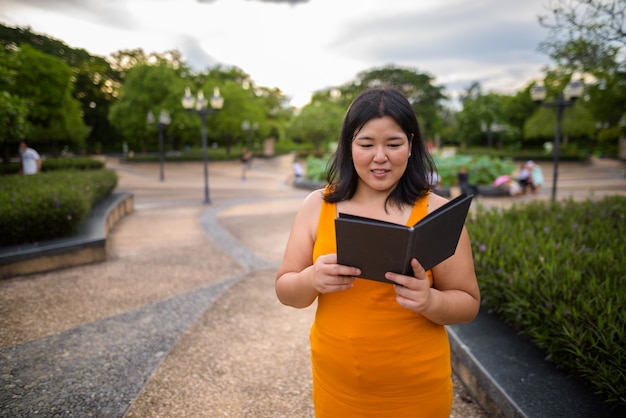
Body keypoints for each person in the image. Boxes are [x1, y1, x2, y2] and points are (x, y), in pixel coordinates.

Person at [275, 88, 480, 417]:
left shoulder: (436, 212)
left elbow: (468, 303)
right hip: (337, 386)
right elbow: (286, 290)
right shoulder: (317, 206)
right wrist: (312, 278)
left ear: (411, 145)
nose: (379, 157)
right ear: (348, 145)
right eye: (366, 144)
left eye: (394, 144)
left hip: (415, 390)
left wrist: (430, 301)